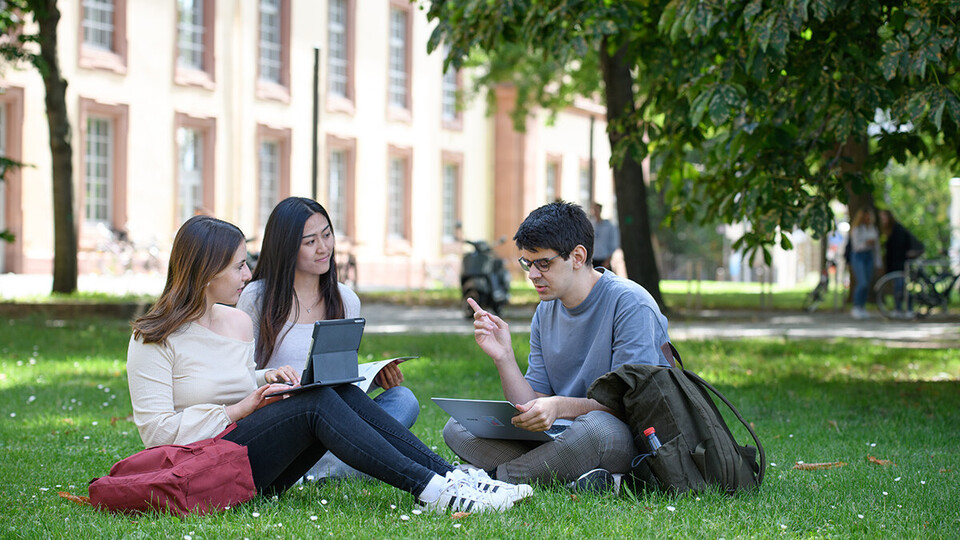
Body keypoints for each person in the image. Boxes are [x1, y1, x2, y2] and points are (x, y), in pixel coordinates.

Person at [126, 215, 531, 513]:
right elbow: (157, 435)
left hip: (248, 450)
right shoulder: (153, 338)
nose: (248, 275)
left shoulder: (234, 321)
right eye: (238, 266)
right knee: (316, 402)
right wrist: (237, 410)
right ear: (204, 270)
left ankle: (450, 478)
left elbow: (229, 379)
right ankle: (434, 490)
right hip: (205, 466)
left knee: (329, 386)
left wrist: (265, 378)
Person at [443, 201, 671, 491]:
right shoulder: (546, 309)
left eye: (544, 263)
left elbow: (631, 408)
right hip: (562, 436)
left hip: (617, 434)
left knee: (597, 430)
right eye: (527, 263)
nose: (533, 275)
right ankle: (580, 478)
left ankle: (495, 480)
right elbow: (531, 401)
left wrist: (559, 406)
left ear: (577, 256)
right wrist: (504, 357)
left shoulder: (631, 304)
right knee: (458, 427)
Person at [236, 197, 419, 482]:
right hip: (281, 419)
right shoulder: (256, 298)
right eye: (310, 242)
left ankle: (323, 470)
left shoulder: (346, 299)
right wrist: (270, 378)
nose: (323, 248)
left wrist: (371, 375)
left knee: (403, 400)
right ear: (286, 247)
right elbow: (238, 376)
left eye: (327, 235)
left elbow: (339, 379)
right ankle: (351, 464)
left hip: (333, 421)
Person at [879, 209, 922, 317]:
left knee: (901, 287)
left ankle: (905, 309)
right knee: (899, 287)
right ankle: (901, 308)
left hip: (900, 264)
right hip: (897, 264)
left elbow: (898, 250)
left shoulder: (897, 230)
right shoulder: (892, 231)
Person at [848, 208, 882, 319]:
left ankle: (862, 307)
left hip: (869, 256)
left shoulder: (873, 229)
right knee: (862, 282)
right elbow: (856, 247)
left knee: (867, 283)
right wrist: (867, 243)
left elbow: (877, 248)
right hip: (859, 256)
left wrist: (879, 263)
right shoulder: (857, 229)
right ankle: (856, 306)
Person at [589, 203, 619, 269]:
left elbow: (613, 245)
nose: (595, 211)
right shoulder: (590, 225)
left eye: (597, 209)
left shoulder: (609, 226)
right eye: (594, 209)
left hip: (603, 258)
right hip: (592, 259)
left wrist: (608, 260)